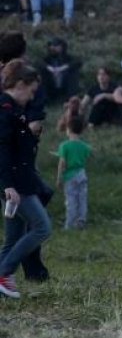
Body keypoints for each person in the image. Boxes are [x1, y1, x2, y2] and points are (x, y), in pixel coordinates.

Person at [0, 60, 49, 299]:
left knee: (12, 239)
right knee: (42, 227)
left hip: (19, 182)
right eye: (31, 91)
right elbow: (2, 151)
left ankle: (1, 285)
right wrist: (8, 185)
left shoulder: (14, 111)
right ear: (20, 84)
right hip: (17, 185)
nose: (31, 97)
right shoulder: (5, 112)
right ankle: (3, 272)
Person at [54, 116, 91, 230]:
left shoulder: (64, 145)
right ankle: (81, 222)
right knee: (82, 199)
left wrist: (59, 178)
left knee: (71, 200)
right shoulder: (85, 146)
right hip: (82, 173)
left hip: (70, 175)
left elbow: (62, 163)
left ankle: (69, 224)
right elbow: (86, 158)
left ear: (68, 130)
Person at [38, 37, 80, 103]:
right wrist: (50, 68)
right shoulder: (47, 58)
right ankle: (45, 100)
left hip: (65, 87)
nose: (52, 48)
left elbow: (77, 61)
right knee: (41, 71)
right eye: (51, 46)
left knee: (73, 72)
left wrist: (62, 68)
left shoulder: (67, 58)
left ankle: (70, 99)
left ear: (62, 47)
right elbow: (39, 62)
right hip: (51, 88)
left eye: (55, 46)